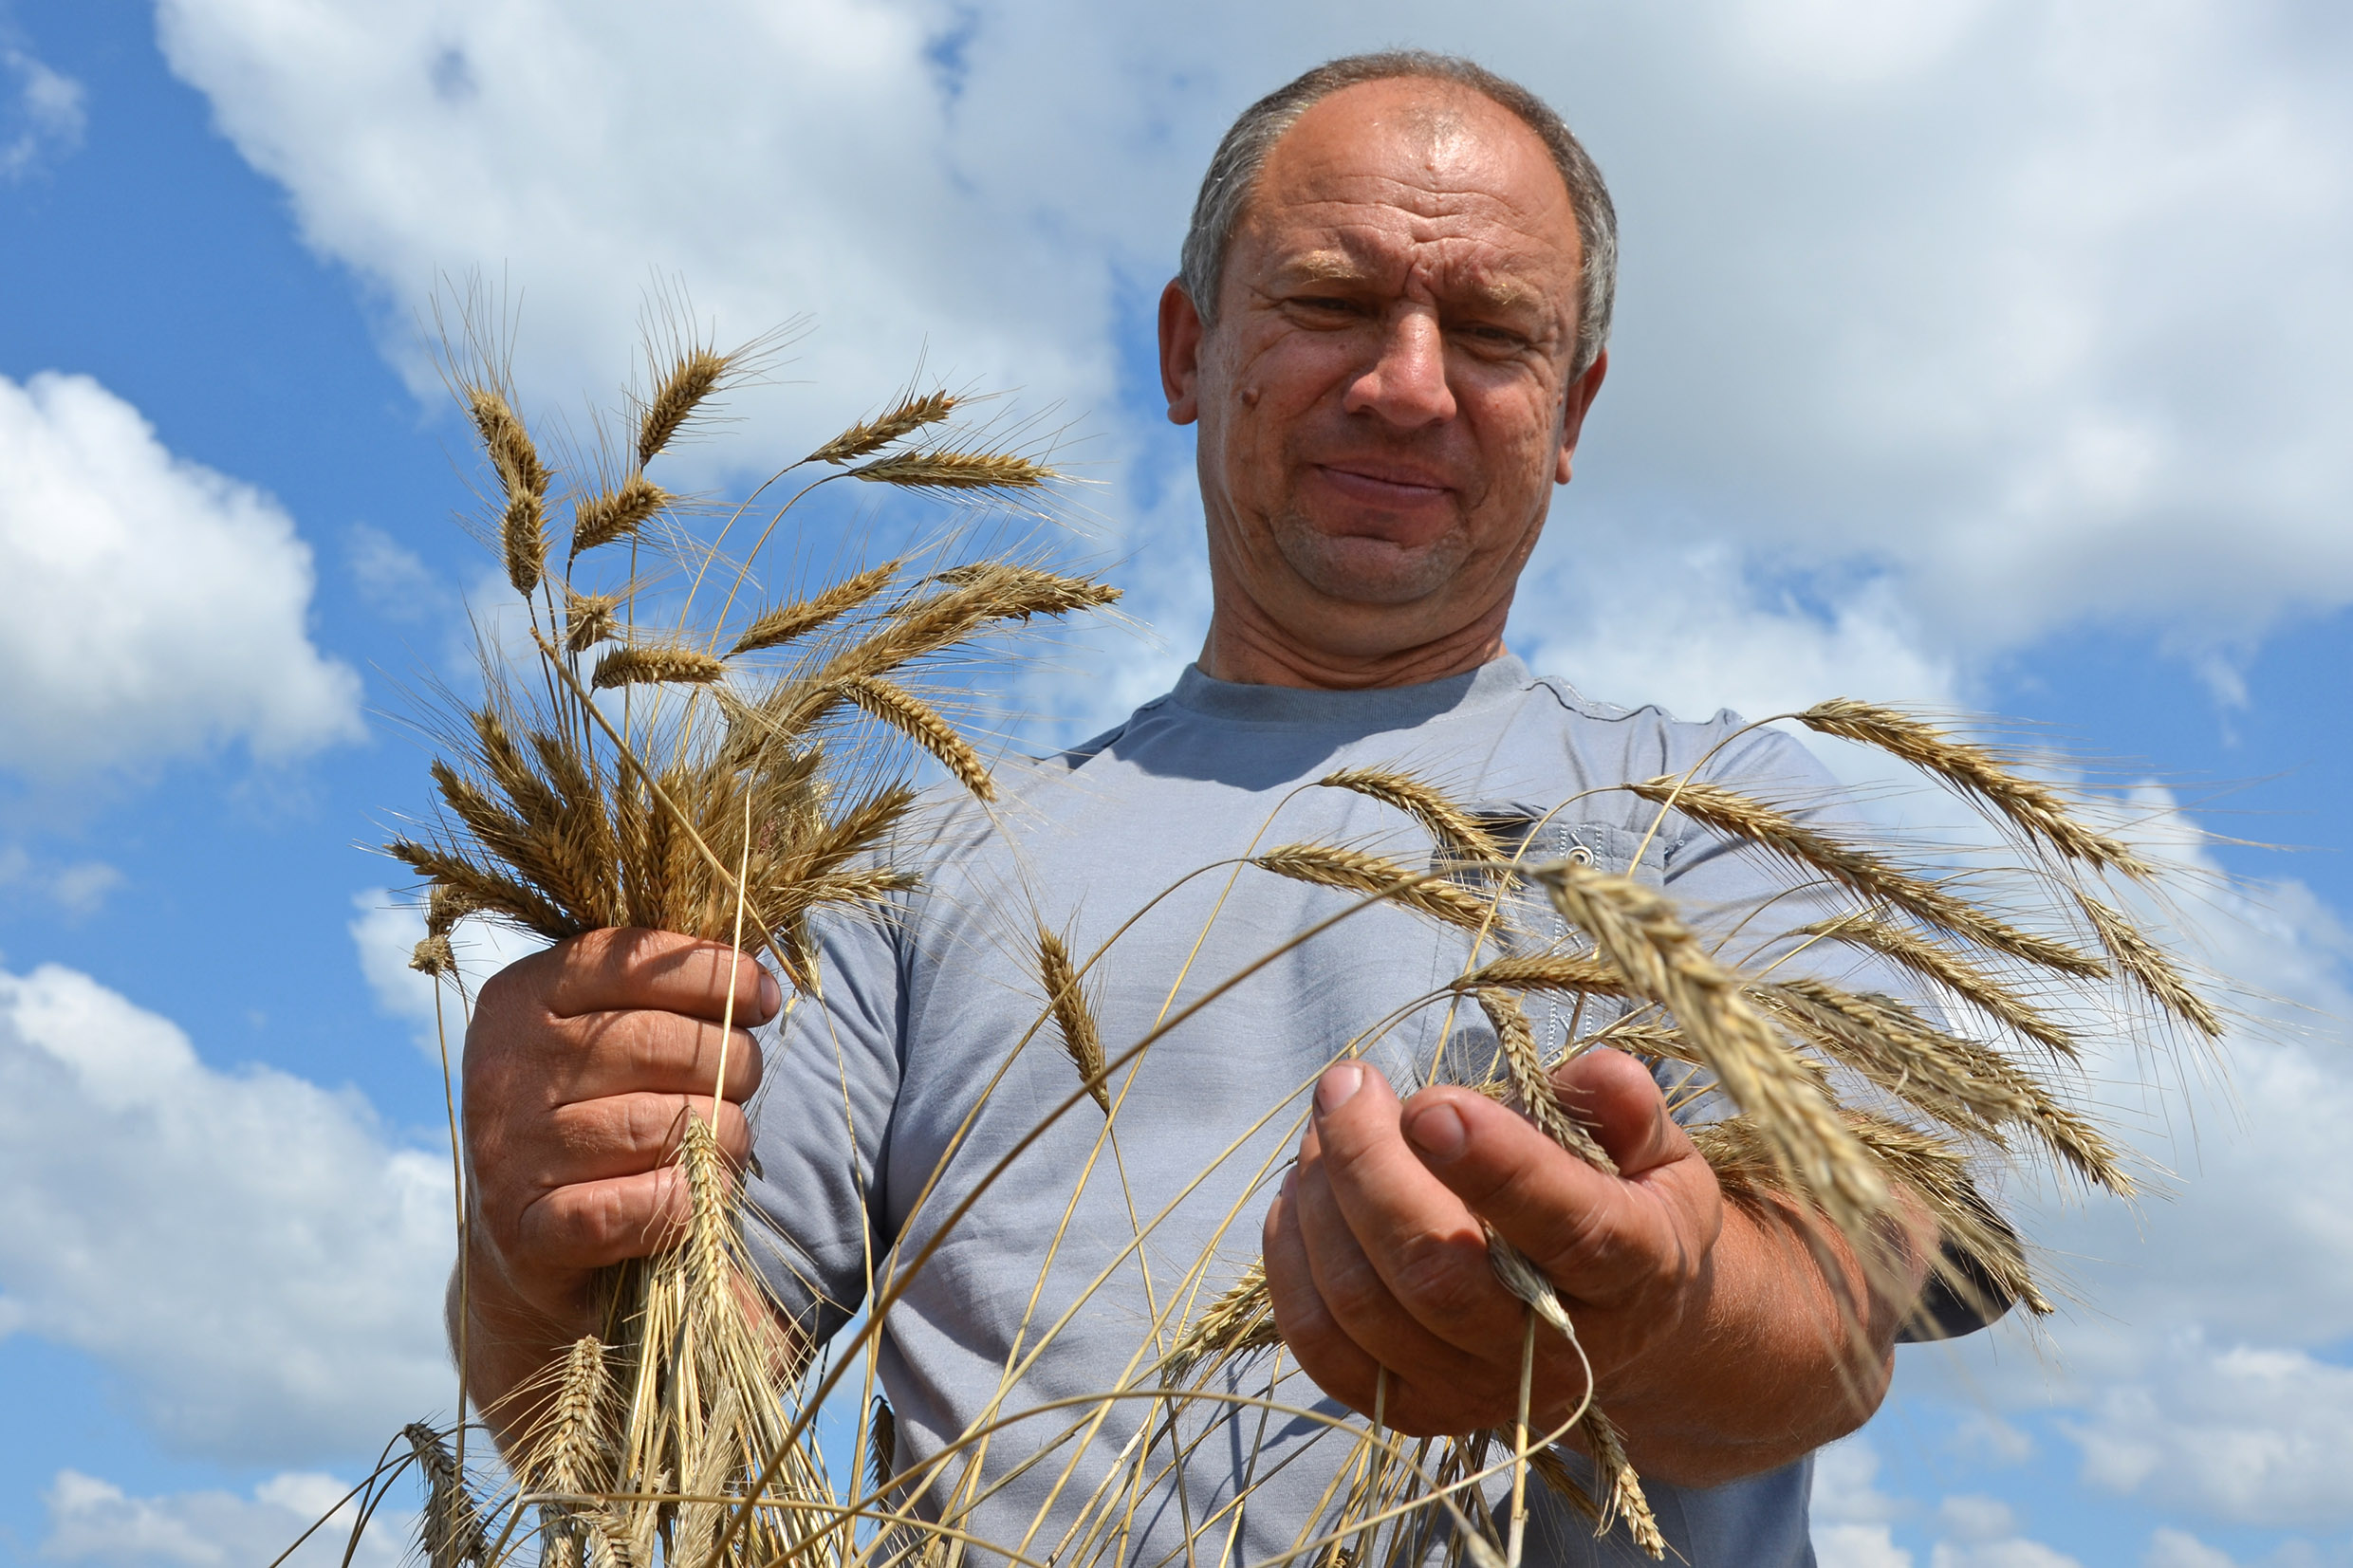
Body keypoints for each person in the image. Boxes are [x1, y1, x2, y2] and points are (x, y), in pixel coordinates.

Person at [458, 52, 1952, 1565]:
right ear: (1189, 347)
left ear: (1572, 410)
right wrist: (529, 1248)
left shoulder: (1720, 816)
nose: (1409, 382)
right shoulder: (919, 863)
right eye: (1331, 301)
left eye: (1494, 332)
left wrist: (1659, 1307)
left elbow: (1844, 1307)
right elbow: (646, 1436)